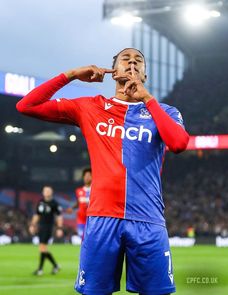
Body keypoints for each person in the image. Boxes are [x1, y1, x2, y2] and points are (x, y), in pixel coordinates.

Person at [17, 48, 189, 294]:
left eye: (138, 60)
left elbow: (179, 143)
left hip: (148, 221)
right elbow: (27, 105)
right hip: (101, 219)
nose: (132, 62)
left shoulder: (165, 112)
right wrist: (73, 74)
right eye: (125, 59)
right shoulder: (90, 107)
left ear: (145, 75)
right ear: (113, 72)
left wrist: (147, 99)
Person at [29, 185, 63, 276]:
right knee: (43, 248)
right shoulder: (40, 202)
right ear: (43, 192)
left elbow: (59, 216)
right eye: (45, 190)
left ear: (51, 192)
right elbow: (37, 215)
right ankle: (55, 266)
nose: (47, 192)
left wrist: (59, 228)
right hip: (41, 226)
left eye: (48, 190)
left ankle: (40, 269)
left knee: (42, 247)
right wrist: (32, 225)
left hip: (49, 227)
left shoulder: (54, 203)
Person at [66, 167, 92, 243]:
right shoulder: (79, 191)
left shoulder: (95, 190)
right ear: (83, 178)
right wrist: (72, 208)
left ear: (92, 177)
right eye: (85, 176)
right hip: (81, 218)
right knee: (83, 237)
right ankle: (84, 253)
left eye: (89, 176)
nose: (87, 178)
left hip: (91, 218)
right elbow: (78, 202)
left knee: (90, 238)